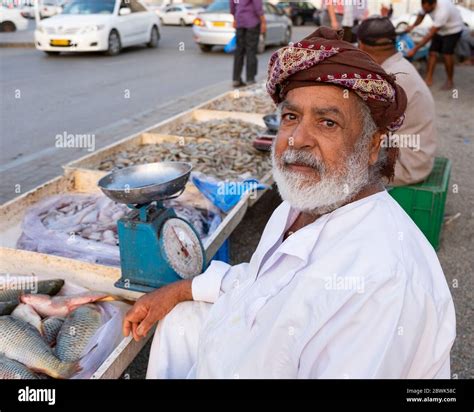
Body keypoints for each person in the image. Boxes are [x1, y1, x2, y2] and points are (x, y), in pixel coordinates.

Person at [123, 28, 455, 379]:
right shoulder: (300, 205)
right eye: (291, 118)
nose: (296, 140)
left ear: (373, 146)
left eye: (328, 122)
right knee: (181, 319)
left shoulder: (382, 283)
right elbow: (261, 283)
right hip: (246, 352)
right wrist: (179, 290)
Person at [358, 16, 437, 186]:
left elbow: (365, 127)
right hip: (416, 157)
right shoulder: (399, 67)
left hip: (406, 165)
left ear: (362, 45)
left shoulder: (389, 78)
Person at [406, 0, 464, 89]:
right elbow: (421, 16)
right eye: (423, 8)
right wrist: (412, 26)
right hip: (440, 30)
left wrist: (414, 49)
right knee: (432, 52)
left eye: (427, 9)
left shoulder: (443, 10)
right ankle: (428, 78)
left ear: (433, 4)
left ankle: (450, 81)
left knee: (447, 54)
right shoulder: (426, 4)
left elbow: (430, 35)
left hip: (453, 30)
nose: (425, 10)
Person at [230, 0, 266, 88]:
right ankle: (250, 79)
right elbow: (257, 6)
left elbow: (232, 6)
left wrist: (235, 18)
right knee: (251, 50)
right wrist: (263, 21)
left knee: (239, 50)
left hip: (240, 22)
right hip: (252, 22)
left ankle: (236, 79)